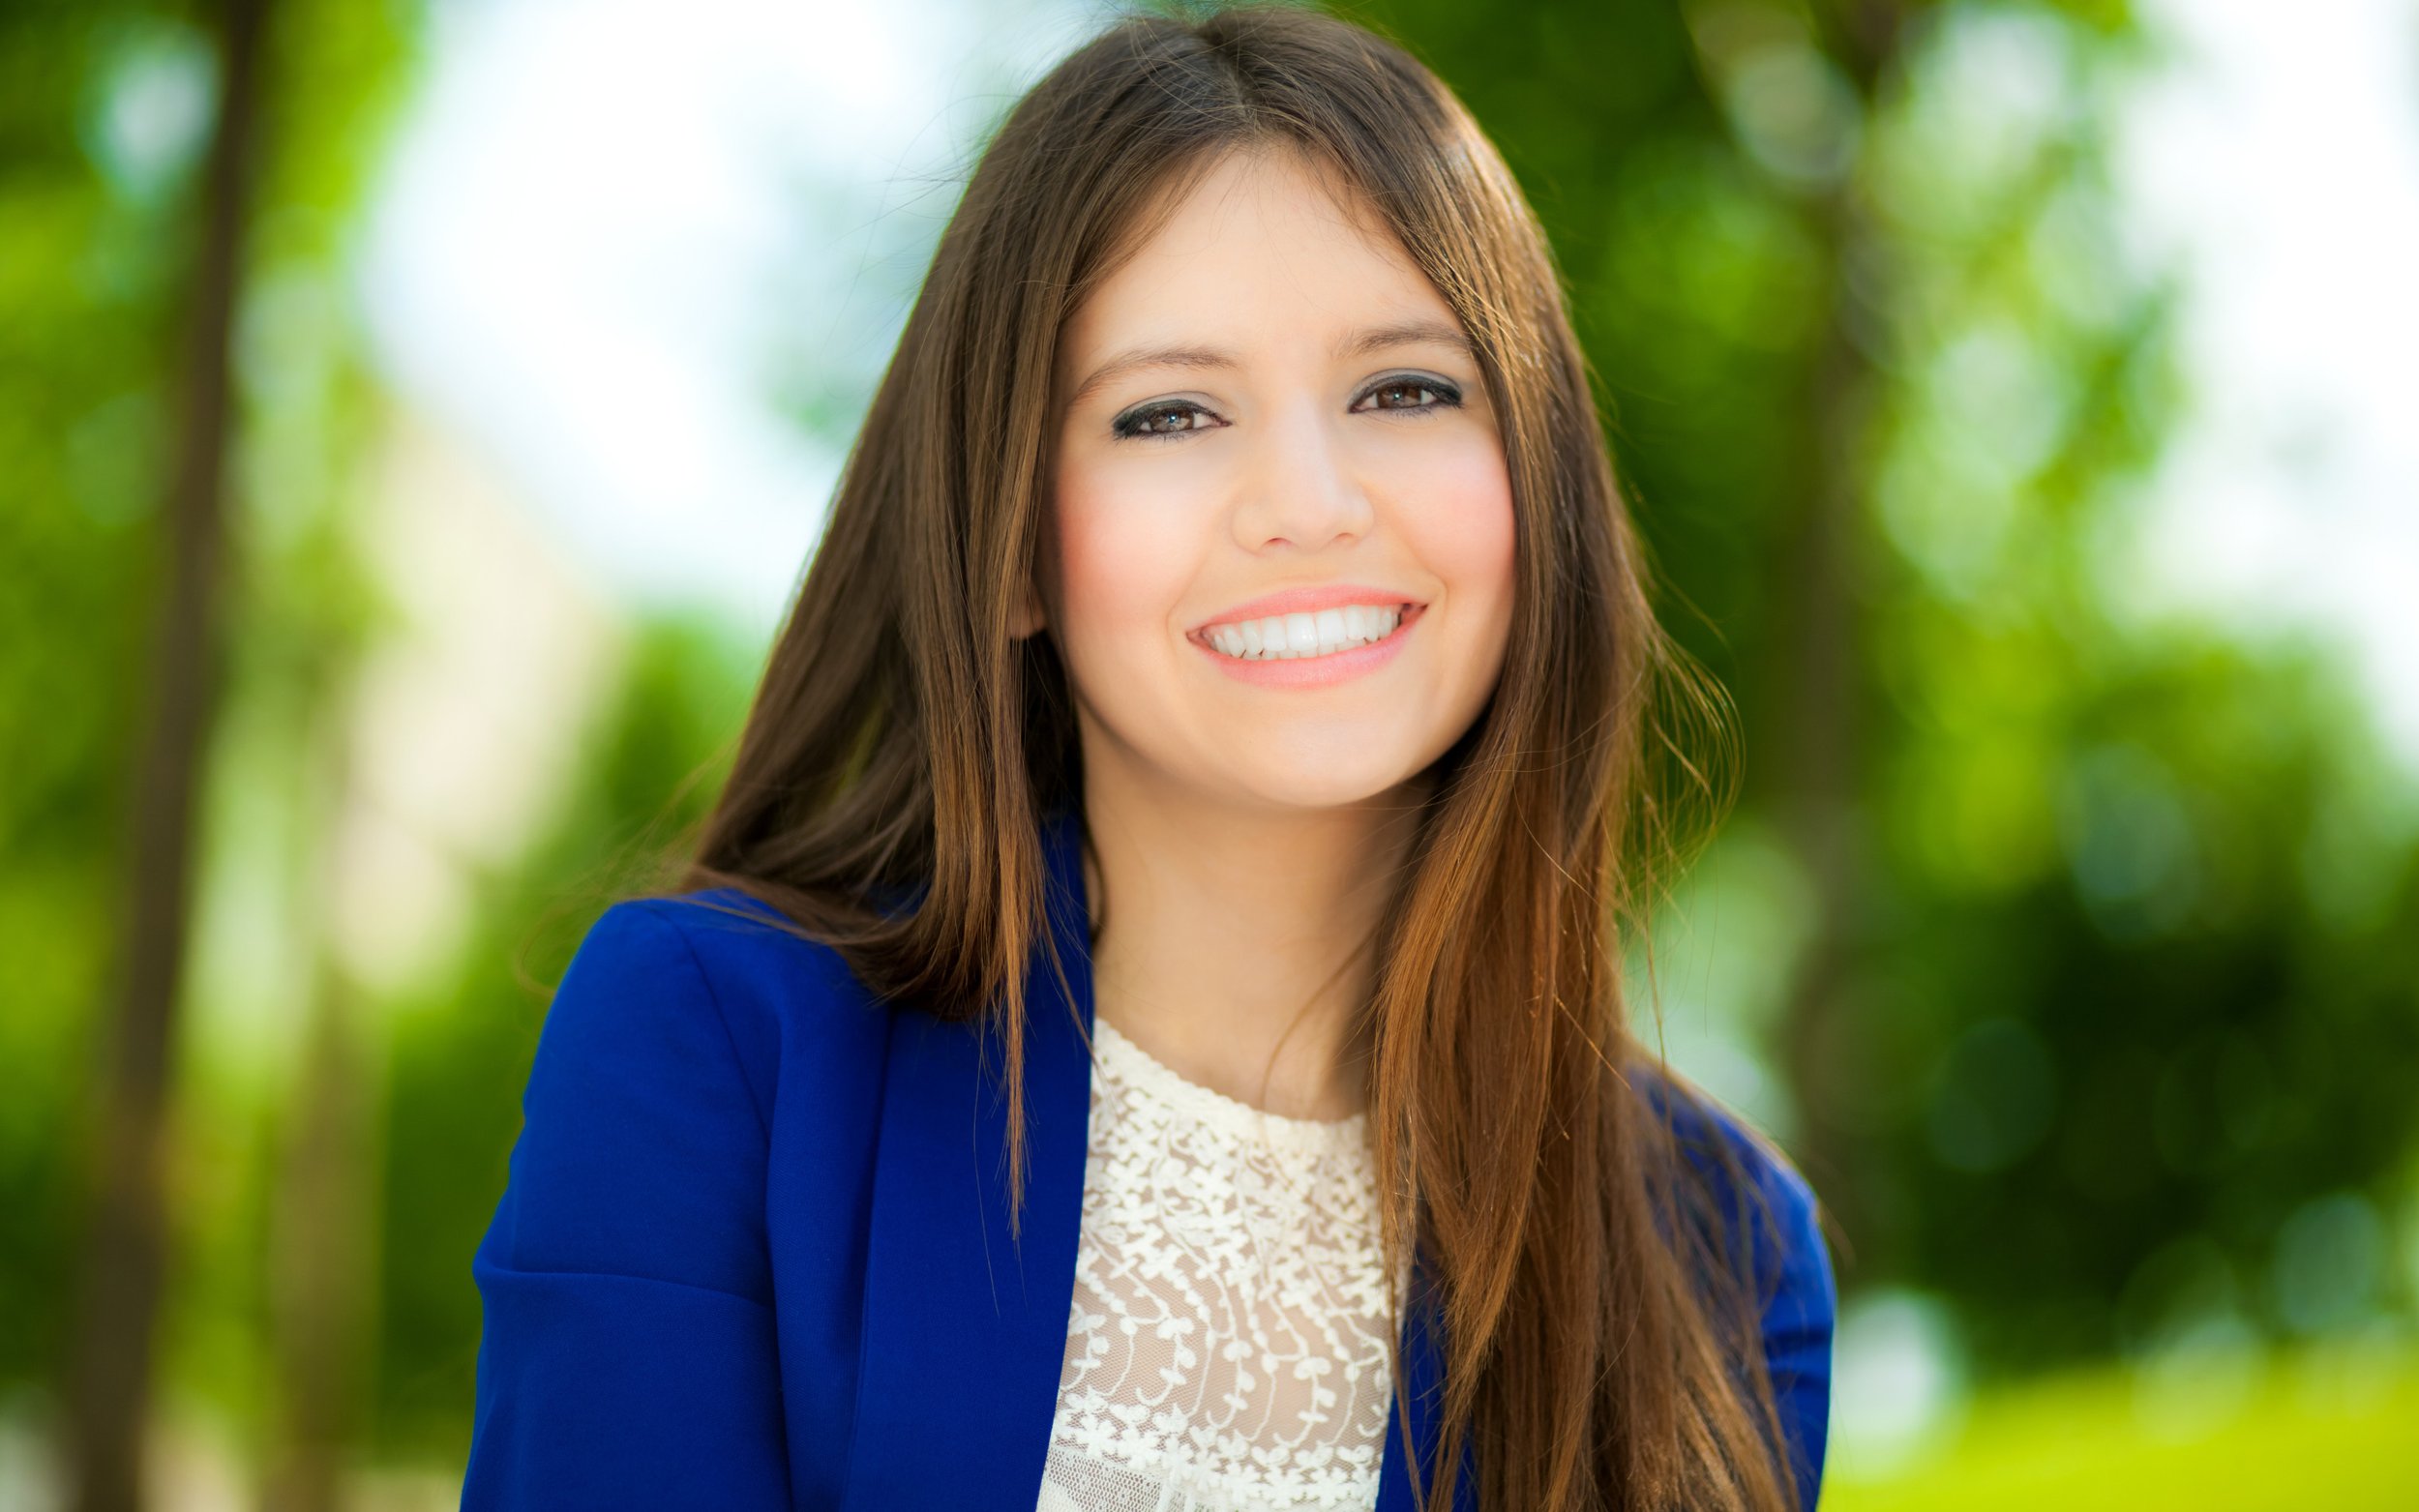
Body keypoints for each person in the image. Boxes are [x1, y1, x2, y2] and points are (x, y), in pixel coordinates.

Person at [460, 4, 1836, 1510]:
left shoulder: (1722, 1255)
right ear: (1011, 555)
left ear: (1542, 483)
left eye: (1407, 389)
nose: (1307, 502)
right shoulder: (719, 1055)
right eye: (1168, 412)